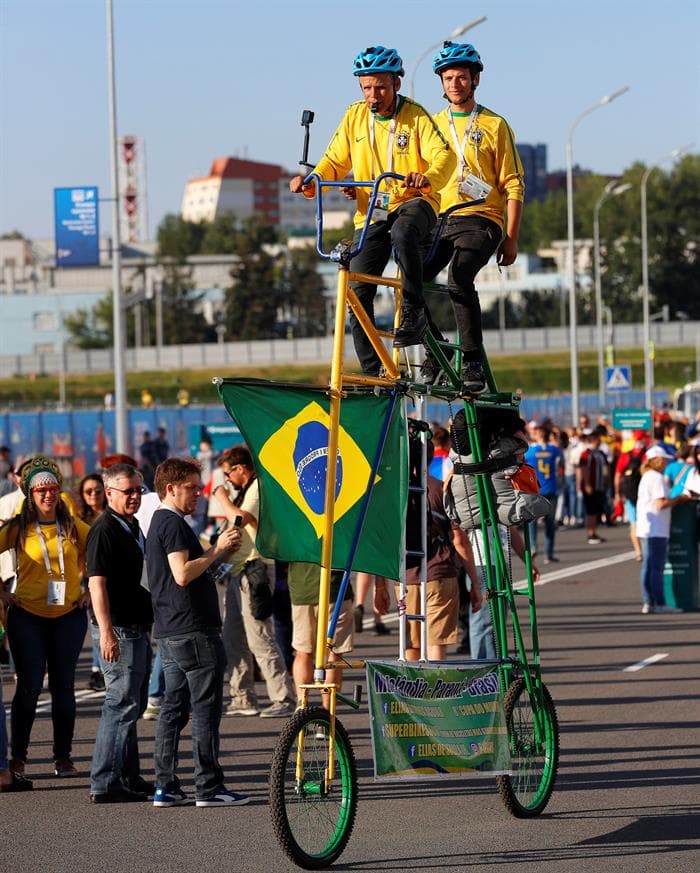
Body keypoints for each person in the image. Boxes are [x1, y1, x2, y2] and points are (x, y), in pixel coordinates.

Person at [289, 45, 454, 375]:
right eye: (367, 87)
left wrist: (427, 177)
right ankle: (375, 370)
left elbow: (445, 156)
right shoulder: (354, 117)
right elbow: (335, 160)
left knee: (403, 232)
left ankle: (412, 309)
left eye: (380, 87)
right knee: (356, 287)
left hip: (413, 200)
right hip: (374, 207)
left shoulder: (416, 116)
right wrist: (312, 180)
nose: (373, 95)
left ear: (396, 83)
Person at [420, 41, 524, 395]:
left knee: (458, 277)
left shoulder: (495, 125)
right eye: (448, 78)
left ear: (475, 80)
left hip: (482, 217)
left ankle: (472, 360)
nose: (454, 84)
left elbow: (513, 183)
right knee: (407, 279)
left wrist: (511, 237)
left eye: (461, 78)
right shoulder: (431, 125)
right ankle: (435, 350)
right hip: (442, 218)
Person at [146, 456, 249, 807]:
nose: (197, 495)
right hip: (193, 631)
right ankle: (209, 787)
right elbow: (181, 573)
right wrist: (217, 549)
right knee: (204, 710)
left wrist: (217, 558)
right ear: (170, 488)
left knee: (173, 709)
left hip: (172, 630)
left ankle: (166, 785)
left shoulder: (160, 522)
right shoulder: (172, 524)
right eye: (191, 488)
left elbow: (177, 576)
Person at [0, 456, 90, 779]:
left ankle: (63, 757)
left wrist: (91, 589)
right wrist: (1, 592)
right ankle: (18, 757)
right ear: (30, 495)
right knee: (29, 687)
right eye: (41, 491)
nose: (48, 495)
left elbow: (100, 548)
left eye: (52, 489)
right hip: (28, 617)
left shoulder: (70, 524)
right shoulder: (18, 527)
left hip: (68, 616)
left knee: (64, 687)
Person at [87, 463, 154, 803]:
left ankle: (128, 774)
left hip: (138, 626)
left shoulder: (132, 525)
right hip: (119, 628)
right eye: (127, 491)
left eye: (137, 490)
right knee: (120, 702)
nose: (133, 497)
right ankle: (105, 780)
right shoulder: (104, 530)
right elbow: (96, 583)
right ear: (109, 493)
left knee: (134, 702)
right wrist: (106, 631)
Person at [213, 447, 297, 717]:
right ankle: (243, 697)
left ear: (240, 468)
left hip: (255, 569)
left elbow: (240, 518)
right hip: (238, 570)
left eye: (228, 473)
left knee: (260, 637)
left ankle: (283, 697)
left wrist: (222, 497)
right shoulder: (245, 490)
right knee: (232, 637)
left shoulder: (258, 487)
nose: (227, 479)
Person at [287, 563, 354, 705]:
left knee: (303, 651)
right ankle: (328, 710)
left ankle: (302, 705)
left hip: (302, 587)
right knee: (333, 653)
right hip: (335, 588)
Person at [635, 446, 686, 614]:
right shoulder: (656, 478)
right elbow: (660, 503)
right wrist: (678, 499)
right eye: (663, 460)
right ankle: (660, 603)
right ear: (657, 460)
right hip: (656, 528)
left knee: (648, 567)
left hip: (646, 528)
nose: (666, 463)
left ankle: (648, 602)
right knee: (656, 568)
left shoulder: (646, 476)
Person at [76, 473, 109, 691]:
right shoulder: (78, 519)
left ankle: (104, 669)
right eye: (88, 491)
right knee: (97, 625)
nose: (94, 495)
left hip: (112, 576)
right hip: (88, 578)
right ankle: (98, 670)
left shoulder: (111, 515)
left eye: (98, 490)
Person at [525, 426, 563, 564]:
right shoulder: (554, 450)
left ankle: (533, 545)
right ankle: (549, 553)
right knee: (550, 523)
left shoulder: (530, 451)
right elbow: (561, 465)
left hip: (535, 489)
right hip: (551, 488)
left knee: (532, 522)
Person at [614, 430, 648, 561]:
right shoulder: (647, 455)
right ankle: (645, 550)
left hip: (629, 494)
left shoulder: (625, 456)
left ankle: (638, 552)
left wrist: (617, 493)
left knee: (634, 523)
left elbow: (617, 475)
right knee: (644, 523)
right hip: (643, 495)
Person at [577, 428, 609, 545]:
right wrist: (587, 484)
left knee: (595, 511)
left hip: (599, 486)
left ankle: (594, 531)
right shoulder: (586, 454)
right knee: (591, 510)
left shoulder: (600, 453)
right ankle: (590, 533)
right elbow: (583, 469)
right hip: (591, 486)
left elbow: (605, 468)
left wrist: (606, 480)